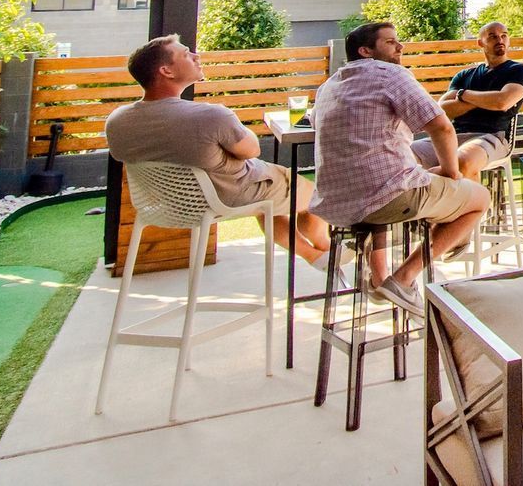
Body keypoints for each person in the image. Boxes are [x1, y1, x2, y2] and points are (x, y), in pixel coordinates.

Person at [107, 35, 337, 269]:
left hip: (166, 207)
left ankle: (315, 256)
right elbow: (251, 149)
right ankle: (326, 249)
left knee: (270, 204)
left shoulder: (116, 121)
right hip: (228, 196)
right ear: (166, 70)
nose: (196, 56)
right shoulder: (210, 115)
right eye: (186, 54)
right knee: (314, 197)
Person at [311, 22, 490, 312]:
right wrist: (452, 174)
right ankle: (404, 279)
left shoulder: (328, 86)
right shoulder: (391, 74)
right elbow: (442, 127)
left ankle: (379, 279)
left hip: (336, 206)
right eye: (391, 42)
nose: (400, 47)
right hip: (383, 198)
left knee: (391, 179)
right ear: (366, 51)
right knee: (479, 198)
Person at [425, 21, 523, 178]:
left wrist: (463, 95)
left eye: (504, 36)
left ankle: (475, 202)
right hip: (452, 136)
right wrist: (487, 99)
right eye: (493, 36)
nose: (500, 40)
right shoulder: (464, 75)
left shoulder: (520, 71)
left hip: (493, 136)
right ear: (480, 42)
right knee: (406, 156)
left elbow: (502, 102)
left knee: (463, 162)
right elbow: (443, 109)